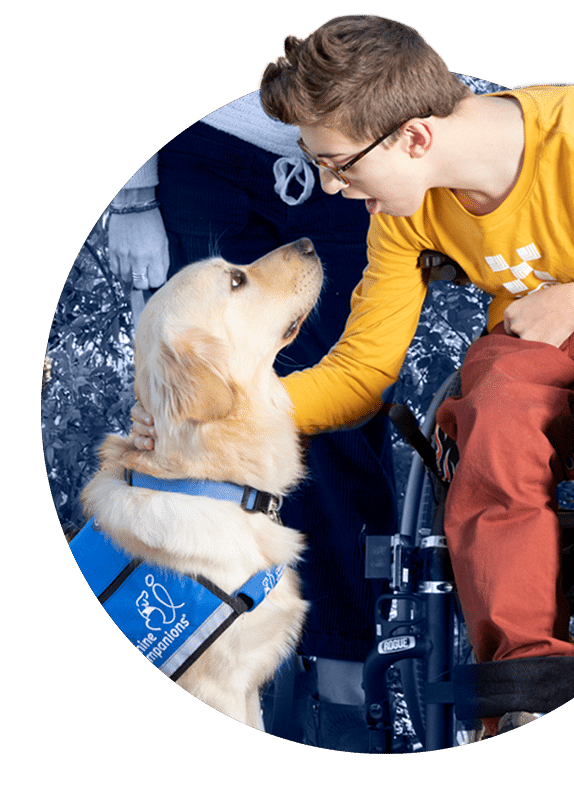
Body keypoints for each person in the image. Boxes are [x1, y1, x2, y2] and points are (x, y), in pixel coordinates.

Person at [250, 15, 574, 737]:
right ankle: (526, 680)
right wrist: (230, 408)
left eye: (339, 163)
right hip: (540, 340)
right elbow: (360, 371)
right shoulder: (405, 213)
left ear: (414, 137)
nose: (330, 186)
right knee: (492, 412)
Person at [118, 75, 505, 748]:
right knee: (197, 430)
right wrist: (131, 195)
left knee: (342, 429)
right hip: (206, 149)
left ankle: (352, 689)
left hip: (352, 146)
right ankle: (225, 678)